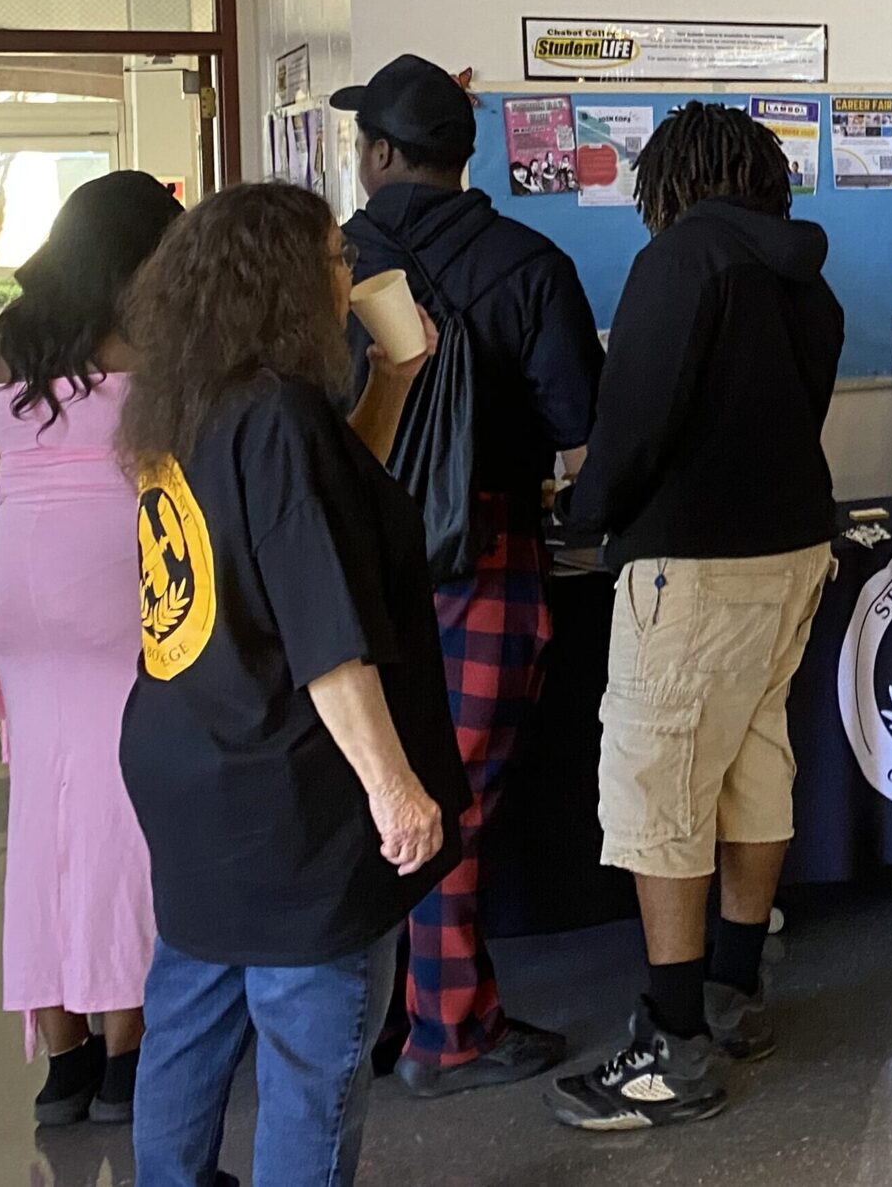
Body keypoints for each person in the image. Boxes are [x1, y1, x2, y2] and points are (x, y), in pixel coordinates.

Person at [120, 182, 466, 1187]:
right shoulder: (276, 414)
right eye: (331, 256)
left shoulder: (189, 400)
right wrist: (395, 791)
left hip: (190, 762)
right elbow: (326, 636)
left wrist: (395, 379)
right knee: (311, 1056)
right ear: (282, 279)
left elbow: (316, 504)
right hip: (289, 791)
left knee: (189, 1018)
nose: (346, 274)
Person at [549, 102, 844, 1132]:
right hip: (798, 551)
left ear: (671, 180)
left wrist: (585, 514)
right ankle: (732, 990)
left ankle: (668, 1047)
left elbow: (632, 421)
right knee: (754, 762)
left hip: (691, 566)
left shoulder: (682, 262)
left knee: (660, 783)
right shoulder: (805, 276)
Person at [333, 53, 602, 1094]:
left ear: (381, 154)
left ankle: (377, 1020)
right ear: (459, 157)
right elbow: (582, 427)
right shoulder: (530, 262)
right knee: (458, 798)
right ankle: (446, 1029)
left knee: (365, 787)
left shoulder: (328, 267)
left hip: (345, 563)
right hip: (485, 556)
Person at [0, 170, 181, 1126]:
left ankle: (63, 1061)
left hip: (17, 595)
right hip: (112, 592)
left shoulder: (12, 334)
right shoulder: (152, 339)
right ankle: (128, 1053)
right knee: (120, 812)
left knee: (43, 815)